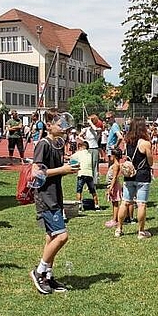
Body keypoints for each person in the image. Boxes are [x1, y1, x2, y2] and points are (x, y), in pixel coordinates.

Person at [29, 108, 79, 295]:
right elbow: (37, 173)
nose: (64, 127)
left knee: (51, 237)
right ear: (49, 126)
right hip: (45, 198)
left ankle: (47, 275)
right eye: (60, 124)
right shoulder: (43, 144)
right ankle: (39, 271)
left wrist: (68, 166)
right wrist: (62, 170)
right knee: (61, 236)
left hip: (54, 194)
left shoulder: (57, 143)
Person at [116, 117, 153, 239]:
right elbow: (150, 161)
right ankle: (141, 232)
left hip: (129, 175)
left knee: (125, 202)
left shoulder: (127, 142)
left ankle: (119, 229)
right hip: (142, 175)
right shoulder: (145, 143)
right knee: (141, 204)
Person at [70, 140, 101, 211]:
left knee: (79, 190)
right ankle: (97, 205)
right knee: (93, 191)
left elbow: (71, 158)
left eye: (80, 146)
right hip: (89, 174)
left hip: (81, 174)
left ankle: (79, 205)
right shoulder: (90, 154)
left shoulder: (79, 153)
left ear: (83, 146)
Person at [104, 148, 123, 228]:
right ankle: (114, 219)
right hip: (112, 185)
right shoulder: (115, 164)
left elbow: (114, 177)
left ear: (114, 156)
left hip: (114, 186)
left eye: (111, 155)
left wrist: (111, 188)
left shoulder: (116, 165)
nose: (110, 156)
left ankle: (115, 220)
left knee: (115, 203)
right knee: (113, 202)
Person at [83, 115, 103, 183]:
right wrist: (84, 140)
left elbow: (95, 129)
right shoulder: (87, 129)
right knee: (88, 166)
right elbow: (79, 136)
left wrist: (91, 123)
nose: (88, 121)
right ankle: (88, 182)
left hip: (94, 149)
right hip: (88, 149)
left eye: (90, 120)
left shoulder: (98, 129)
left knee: (94, 167)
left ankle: (94, 182)